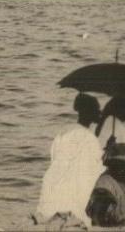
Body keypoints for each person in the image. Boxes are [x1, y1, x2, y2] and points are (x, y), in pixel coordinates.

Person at [36, 93, 104, 227]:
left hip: (52, 193)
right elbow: (95, 170)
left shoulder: (63, 133)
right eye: (96, 109)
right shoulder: (89, 138)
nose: (99, 113)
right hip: (74, 196)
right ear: (89, 112)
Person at [86, 142, 125, 227]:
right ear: (111, 164)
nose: (123, 168)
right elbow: (97, 220)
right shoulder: (104, 185)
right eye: (119, 164)